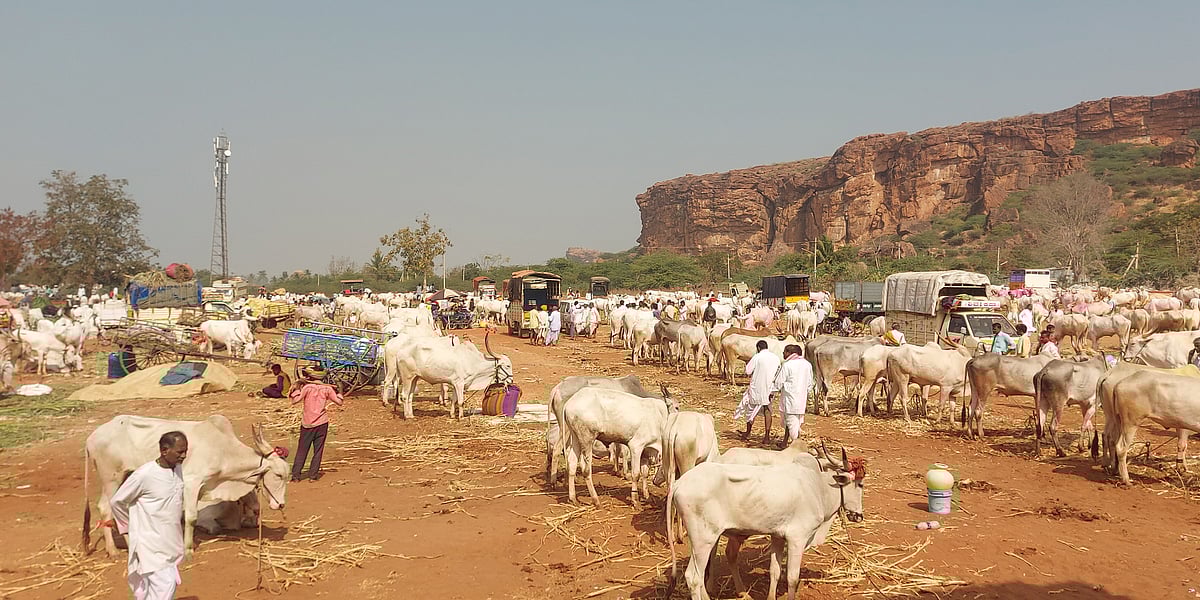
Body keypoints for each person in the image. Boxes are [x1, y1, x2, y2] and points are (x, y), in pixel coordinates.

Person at [109, 431, 188, 600]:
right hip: (150, 542)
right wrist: (128, 526)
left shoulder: (178, 469)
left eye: (185, 451)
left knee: (153, 590)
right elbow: (117, 501)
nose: (184, 456)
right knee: (165, 584)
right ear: (164, 450)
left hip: (170, 541)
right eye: (180, 452)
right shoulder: (144, 475)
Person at [289, 369, 344, 482]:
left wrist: (296, 391)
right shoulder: (327, 389)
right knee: (318, 450)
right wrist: (339, 392)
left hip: (307, 424)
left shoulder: (307, 388)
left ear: (310, 377)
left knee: (302, 450)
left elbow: (295, 401)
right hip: (322, 423)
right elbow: (339, 402)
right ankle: (313, 476)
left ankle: (295, 476)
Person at [734, 340, 782, 444]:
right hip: (769, 388)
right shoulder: (775, 358)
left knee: (751, 410)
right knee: (767, 410)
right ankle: (767, 436)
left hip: (757, 388)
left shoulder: (757, 357)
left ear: (758, 348)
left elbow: (748, 371)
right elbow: (778, 371)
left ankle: (748, 433)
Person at [772, 344, 813, 448]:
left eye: (785, 352)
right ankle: (785, 442)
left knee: (792, 425)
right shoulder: (807, 365)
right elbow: (810, 384)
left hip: (789, 400)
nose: (783, 354)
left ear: (790, 353)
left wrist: (771, 392)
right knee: (793, 423)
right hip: (801, 400)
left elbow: (778, 383)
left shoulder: (787, 365)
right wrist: (803, 392)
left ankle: (797, 447)